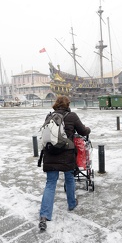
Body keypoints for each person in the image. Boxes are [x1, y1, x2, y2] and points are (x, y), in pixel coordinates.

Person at [39, 95, 91, 231]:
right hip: (67, 154)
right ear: (68, 104)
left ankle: (44, 216)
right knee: (69, 178)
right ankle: (72, 204)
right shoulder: (72, 116)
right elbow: (83, 131)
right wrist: (88, 129)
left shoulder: (49, 116)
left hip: (50, 154)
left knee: (50, 184)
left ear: (56, 104)